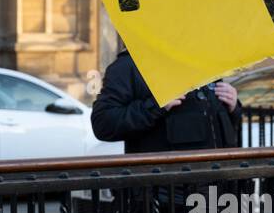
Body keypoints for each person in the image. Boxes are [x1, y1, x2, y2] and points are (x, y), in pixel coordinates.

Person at [91, 44, 241, 152]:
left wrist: (233, 107)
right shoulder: (129, 65)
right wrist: (155, 106)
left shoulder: (203, 59)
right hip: (165, 191)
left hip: (218, 187)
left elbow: (212, 122)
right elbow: (103, 124)